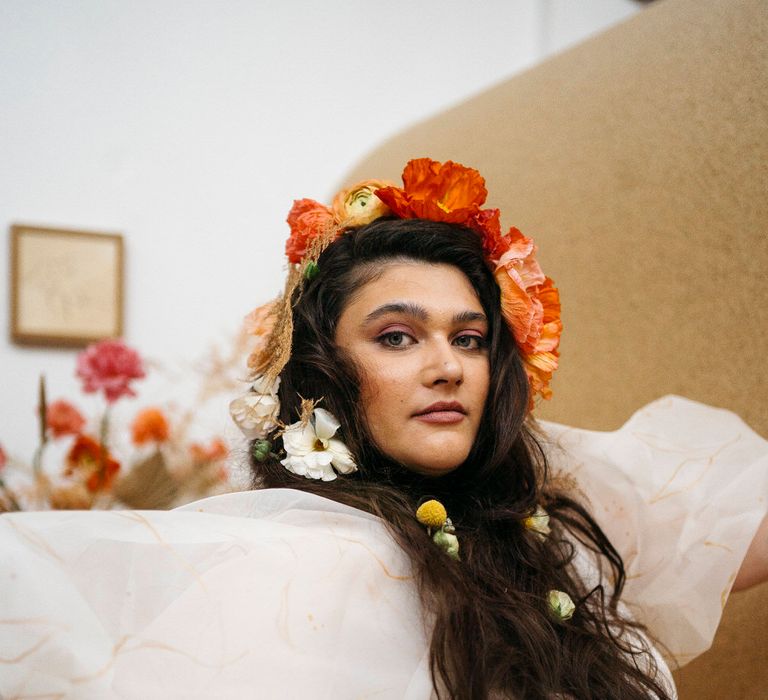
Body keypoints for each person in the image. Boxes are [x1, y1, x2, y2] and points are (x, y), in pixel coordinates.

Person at [1, 158, 766, 699]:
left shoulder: (543, 515)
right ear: (323, 368)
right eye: (397, 337)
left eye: (469, 339)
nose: (448, 366)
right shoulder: (296, 563)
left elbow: (732, 514)